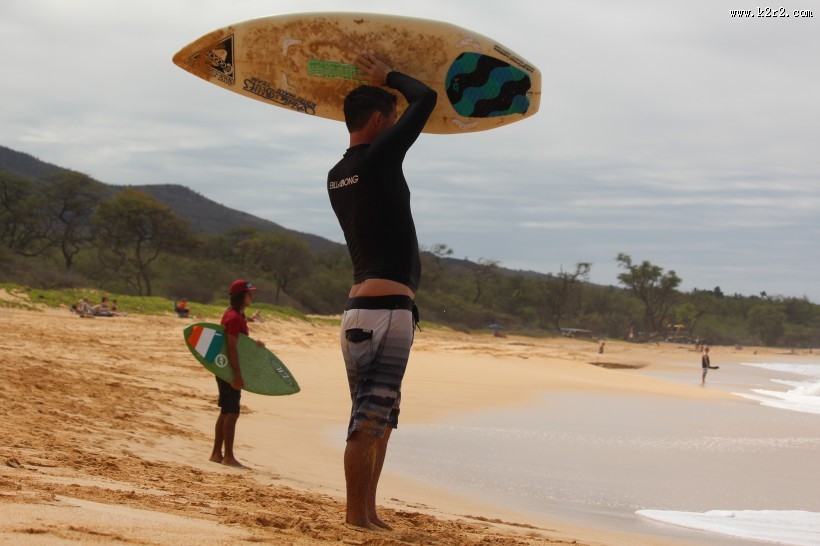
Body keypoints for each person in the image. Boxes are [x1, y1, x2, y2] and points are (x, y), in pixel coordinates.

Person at [327, 51, 436, 530]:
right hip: (383, 314)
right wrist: (387, 75)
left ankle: (368, 512)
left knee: (380, 417)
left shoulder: (338, 174)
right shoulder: (377, 160)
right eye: (391, 119)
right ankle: (356, 518)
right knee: (369, 420)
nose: (396, 126)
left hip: (364, 313)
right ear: (379, 120)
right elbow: (426, 98)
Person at [209, 279, 262, 468]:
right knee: (232, 413)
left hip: (226, 369)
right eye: (249, 293)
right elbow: (230, 347)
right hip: (229, 370)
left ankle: (217, 453)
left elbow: (239, 344)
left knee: (226, 411)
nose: (252, 297)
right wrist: (237, 375)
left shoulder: (237, 315)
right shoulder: (233, 318)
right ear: (241, 296)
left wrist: (254, 346)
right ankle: (228, 457)